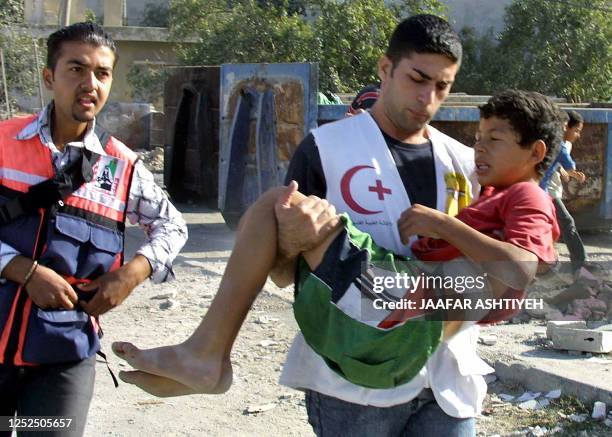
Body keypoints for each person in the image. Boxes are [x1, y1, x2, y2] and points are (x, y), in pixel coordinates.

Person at [111, 89, 561, 426]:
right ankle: (207, 354)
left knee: (275, 204)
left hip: (416, 310)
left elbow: (522, 268)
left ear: (535, 152)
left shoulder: (509, 187)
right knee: (284, 212)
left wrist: (443, 227)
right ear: (387, 73)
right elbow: (285, 275)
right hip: (411, 314)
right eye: (480, 137)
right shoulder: (328, 150)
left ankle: (209, 355)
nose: (479, 148)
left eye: (493, 139)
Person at [0, 23, 187, 436]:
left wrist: (132, 273)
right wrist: (23, 271)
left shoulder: (122, 167)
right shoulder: (3, 142)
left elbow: (172, 225)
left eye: (102, 73)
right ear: (50, 77)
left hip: (63, 356)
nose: (90, 83)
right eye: (76, 69)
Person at [539, 110, 588, 275]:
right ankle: (579, 264)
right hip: (544, 191)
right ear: (566, 127)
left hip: (541, 190)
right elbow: (568, 164)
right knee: (566, 223)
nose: (578, 135)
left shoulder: (551, 140)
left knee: (551, 226)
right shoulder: (559, 144)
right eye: (577, 130)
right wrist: (574, 173)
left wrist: (566, 173)